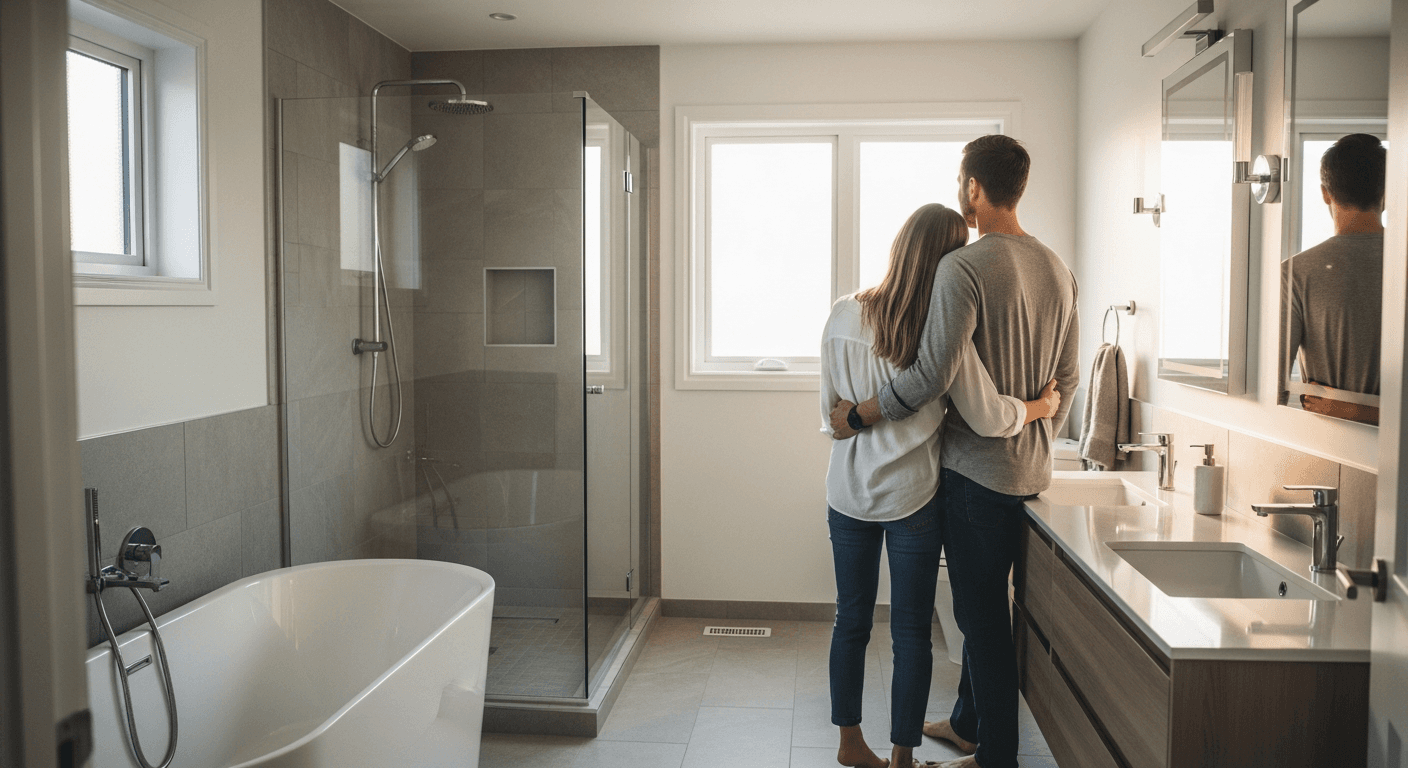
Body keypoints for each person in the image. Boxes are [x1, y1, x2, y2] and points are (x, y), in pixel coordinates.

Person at [829, 135, 1079, 768]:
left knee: (980, 622)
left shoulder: (962, 268)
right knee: (983, 614)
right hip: (1032, 471)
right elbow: (1069, 378)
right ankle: (967, 727)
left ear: (973, 188)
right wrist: (1042, 423)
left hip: (973, 475)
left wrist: (858, 415)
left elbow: (930, 379)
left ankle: (996, 757)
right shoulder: (1058, 267)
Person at [1283, 133, 1386, 425]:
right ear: (1388, 192)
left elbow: (1271, 394)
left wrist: (1353, 410)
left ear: (1325, 192)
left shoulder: (1296, 272)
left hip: (1333, 445)